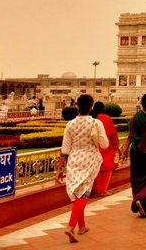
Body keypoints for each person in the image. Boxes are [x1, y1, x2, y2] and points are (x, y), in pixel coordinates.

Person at [55, 94, 109, 243]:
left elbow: (65, 149)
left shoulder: (70, 124)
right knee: (84, 194)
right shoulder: (96, 123)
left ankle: (82, 226)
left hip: (74, 159)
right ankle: (70, 226)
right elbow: (104, 145)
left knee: (78, 193)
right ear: (91, 107)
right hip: (90, 159)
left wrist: (60, 170)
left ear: (77, 105)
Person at [91, 102, 119, 197]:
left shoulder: (92, 118)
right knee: (107, 169)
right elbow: (113, 134)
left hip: (95, 147)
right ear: (103, 109)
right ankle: (103, 190)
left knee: (98, 169)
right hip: (107, 147)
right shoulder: (107, 119)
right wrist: (116, 146)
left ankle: (99, 190)